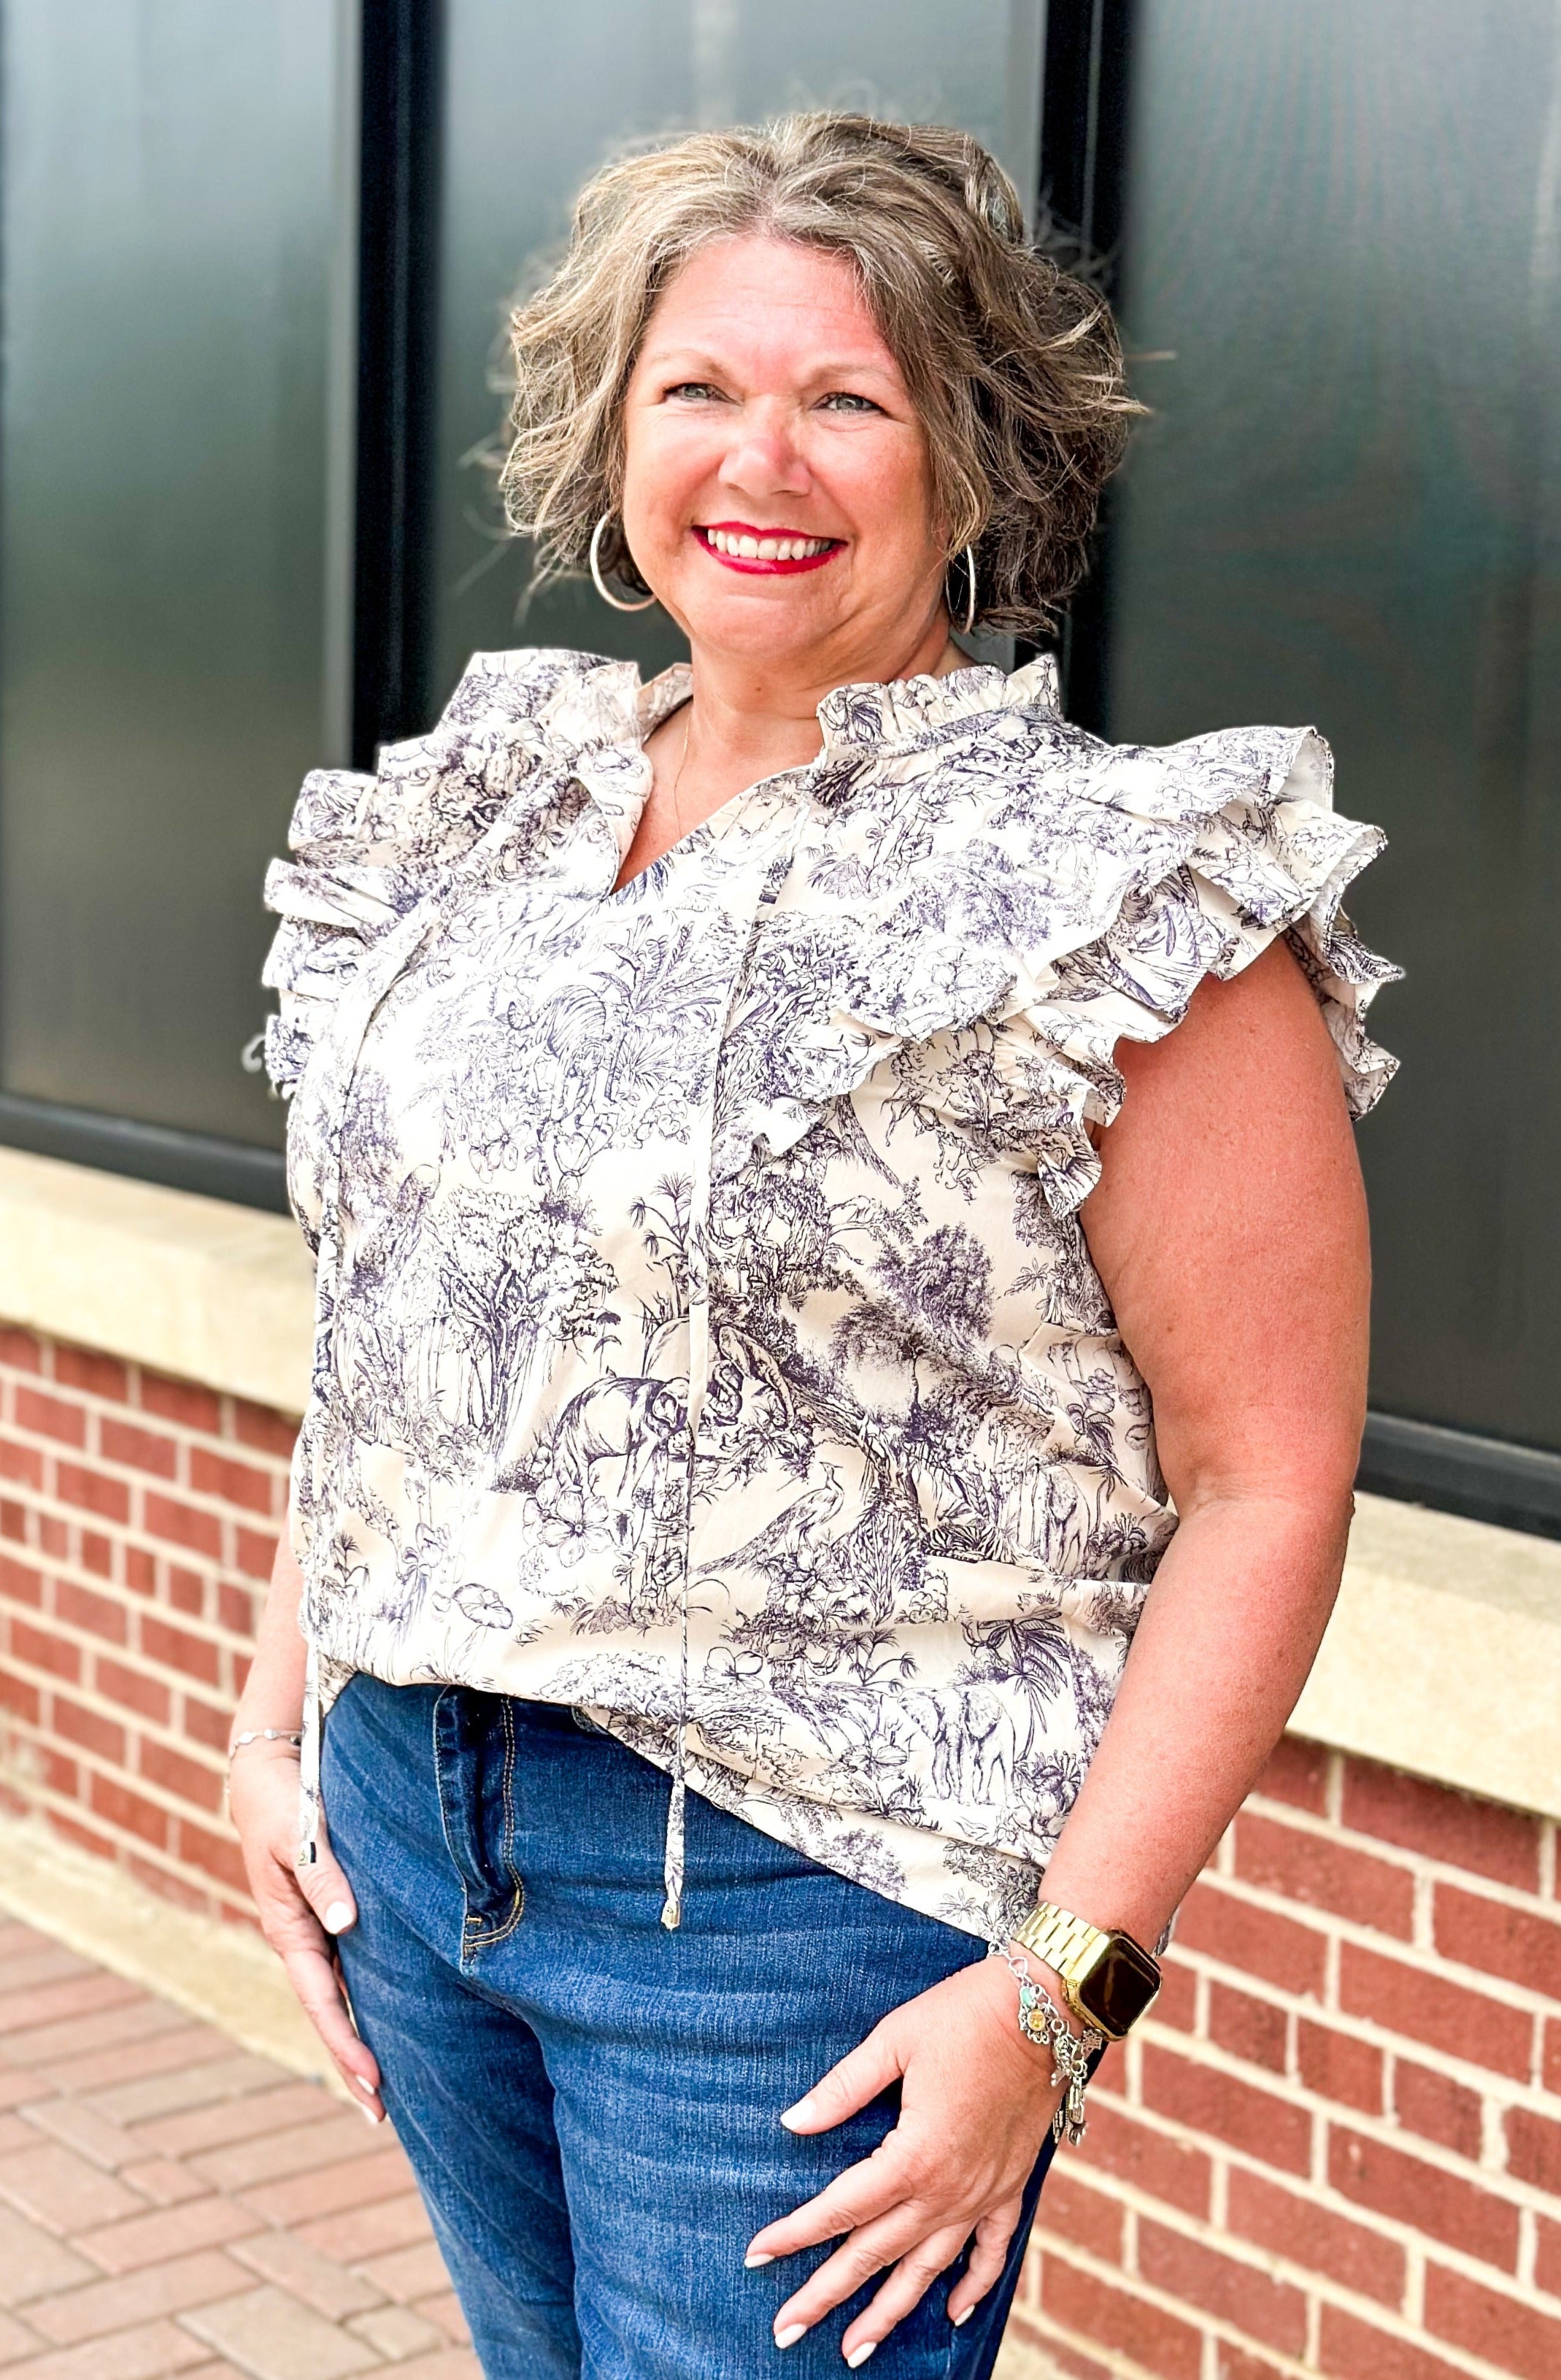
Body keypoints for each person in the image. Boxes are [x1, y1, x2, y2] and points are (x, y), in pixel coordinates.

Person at [228, 112, 1395, 2379]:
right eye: (701, 390)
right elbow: (387, 1312)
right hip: (411, 1825)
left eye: (849, 397)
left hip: (794, 1905)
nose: (766, 459)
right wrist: (277, 1713)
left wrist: (1068, 1990)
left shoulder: (1113, 893)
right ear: (612, 429)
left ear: (971, 451)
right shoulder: (477, 817)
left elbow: (1269, 1476)